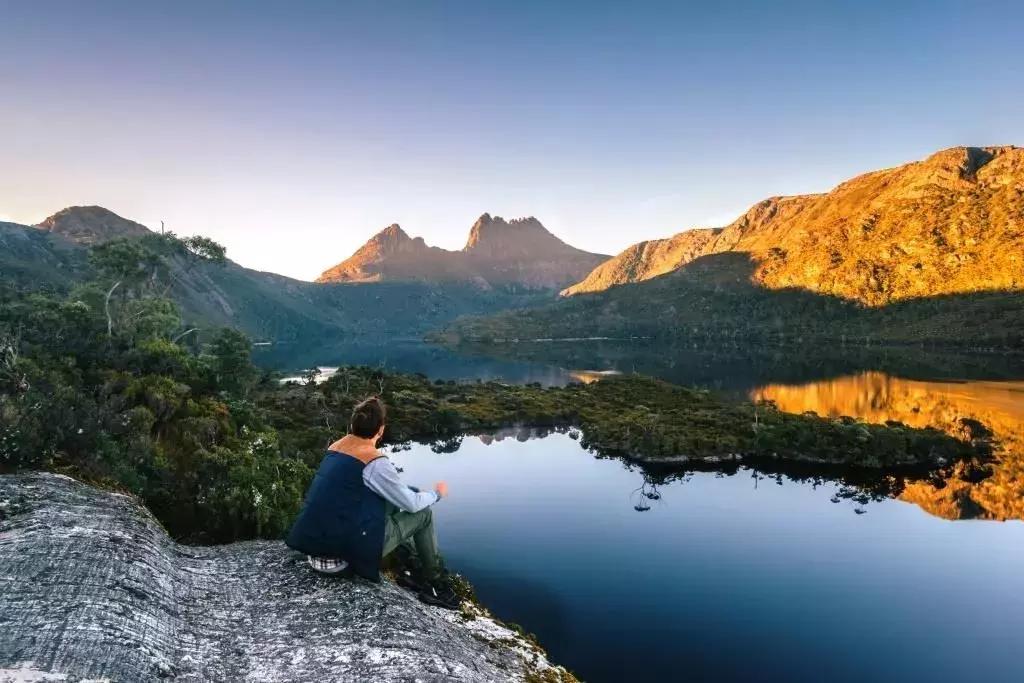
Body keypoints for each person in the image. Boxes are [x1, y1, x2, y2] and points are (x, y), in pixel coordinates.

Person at [285, 396, 460, 610]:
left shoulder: (336, 447)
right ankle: (436, 584)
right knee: (423, 514)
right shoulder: (374, 461)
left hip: (315, 552)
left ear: (352, 425)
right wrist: (437, 494)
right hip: (341, 562)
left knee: (406, 494)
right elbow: (413, 505)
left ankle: (410, 568)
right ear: (381, 430)